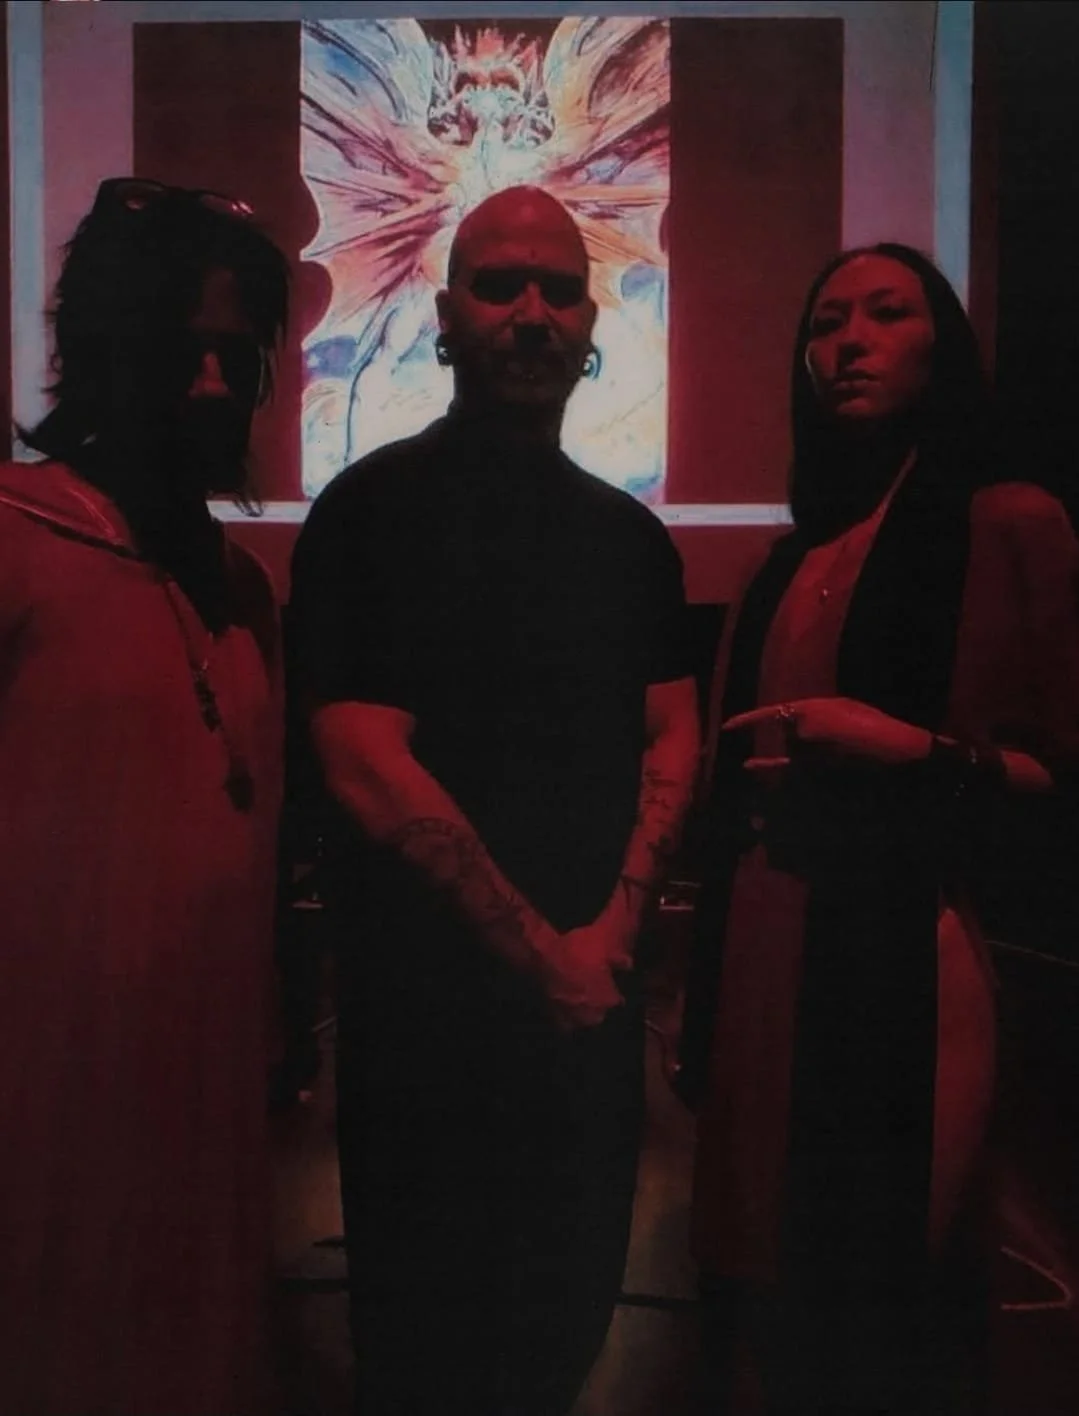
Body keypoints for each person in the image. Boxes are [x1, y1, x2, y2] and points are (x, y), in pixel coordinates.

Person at [289, 184, 701, 1416]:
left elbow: (671, 733)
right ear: (442, 318)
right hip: (429, 1035)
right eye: (498, 284)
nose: (531, 311)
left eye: (558, 288)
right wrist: (552, 960)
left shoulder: (632, 540)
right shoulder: (365, 515)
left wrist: (607, 944)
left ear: (591, 326)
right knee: (426, 1357)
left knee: (565, 1337)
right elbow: (365, 763)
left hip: (587, 1026)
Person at [677, 243, 1079, 1414]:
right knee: (764, 1292)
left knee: (885, 1288)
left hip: (909, 944)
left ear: (939, 344)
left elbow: (1064, 772)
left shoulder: (1008, 523)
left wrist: (909, 750)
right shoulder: (778, 561)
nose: (844, 341)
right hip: (762, 943)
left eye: (884, 314)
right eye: (824, 323)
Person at [0, 178, 289, 1414]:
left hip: (201, 1099)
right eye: (184, 352)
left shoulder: (241, 588)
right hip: (41, 1105)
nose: (215, 387)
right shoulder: (13, 538)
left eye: (238, 355)